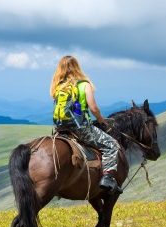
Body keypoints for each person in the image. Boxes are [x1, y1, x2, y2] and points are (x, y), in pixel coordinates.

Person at [50, 55, 122, 193]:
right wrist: (101, 120)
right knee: (111, 145)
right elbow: (93, 108)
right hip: (79, 128)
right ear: (77, 67)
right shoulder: (84, 84)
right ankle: (107, 178)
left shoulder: (58, 86)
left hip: (61, 128)